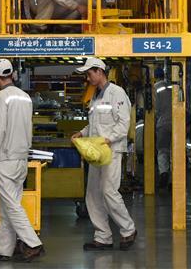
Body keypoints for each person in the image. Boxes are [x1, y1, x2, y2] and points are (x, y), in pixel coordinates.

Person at [71, 57, 137, 251]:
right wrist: (82, 133)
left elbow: (123, 124)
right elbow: (95, 124)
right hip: (96, 152)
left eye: (89, 74)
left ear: (99, 71)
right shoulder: (95, 96)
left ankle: (128, 230)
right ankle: (103, 237)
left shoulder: (117, 93)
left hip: (111, 151)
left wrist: (108, 139)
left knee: (109, 191)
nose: (88, 78)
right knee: (92, 195)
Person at [0, 59, 45, 262]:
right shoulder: (25, 97)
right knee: (8, 205)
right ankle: (3, 249)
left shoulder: (1, 98)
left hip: (5, 159)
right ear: (11, 75)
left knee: (11, 205)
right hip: (21, 158)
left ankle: (33, 243)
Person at [153, 67, 173, 189]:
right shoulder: (171, 86)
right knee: (173, 151)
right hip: (176, 123)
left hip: (162, 124)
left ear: (155, 76)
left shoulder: (155, 88)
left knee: (162, 150)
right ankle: (172, 179)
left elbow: (155, 109)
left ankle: (164, 172)